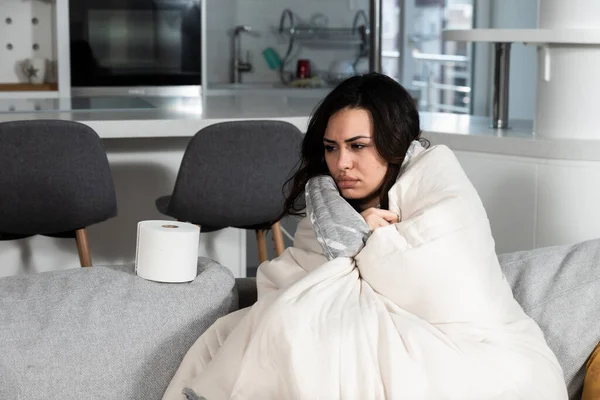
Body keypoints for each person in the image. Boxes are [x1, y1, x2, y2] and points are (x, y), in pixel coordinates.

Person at [163, 73, 568, 400]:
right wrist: (356, 230)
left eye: (358, 146)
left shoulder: (437, 178)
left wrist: (368, 244)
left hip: (485, 360)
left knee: (298, 324)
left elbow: (440, 282)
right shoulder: (328, 202)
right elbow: (288, 283)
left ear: (393, 143)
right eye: (331, 148)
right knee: (270, 324)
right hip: (399, 342)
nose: (343, 164)